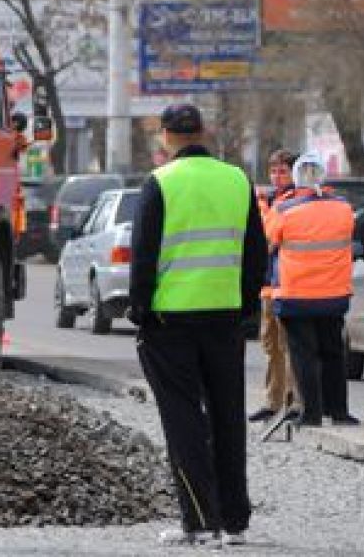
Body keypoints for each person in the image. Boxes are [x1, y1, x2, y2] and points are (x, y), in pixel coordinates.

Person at [127, 103, 267, 548]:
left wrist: (141, 313)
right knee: (228, 416)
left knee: (183, 418)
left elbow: (144, 259)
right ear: (203, 132)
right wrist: (244, 309)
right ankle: (234, 522)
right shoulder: (237, 181)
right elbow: (255, 254)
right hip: (224, 319)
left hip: (171, 321)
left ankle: (199, 522)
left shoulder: (161, 183)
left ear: (166, 136)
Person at [266, 151, 359, 428]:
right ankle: (339, 411)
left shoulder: (284, 209)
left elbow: (269, 241)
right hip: (334, 295)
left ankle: (312, 413)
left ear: (295, 177)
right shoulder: (343, 208)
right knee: (333, 351)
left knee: (304, 354)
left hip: (297, 295)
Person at [248, 148, 300, 423]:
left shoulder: (295, 201)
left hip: (289, 284)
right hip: (268, 285)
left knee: (289, 344)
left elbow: (273, 240)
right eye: (274, 171)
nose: (277, 176)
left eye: (283, 171)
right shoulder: (266, 201)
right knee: (270, 346)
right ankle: (273, 400)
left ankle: (293, 402)